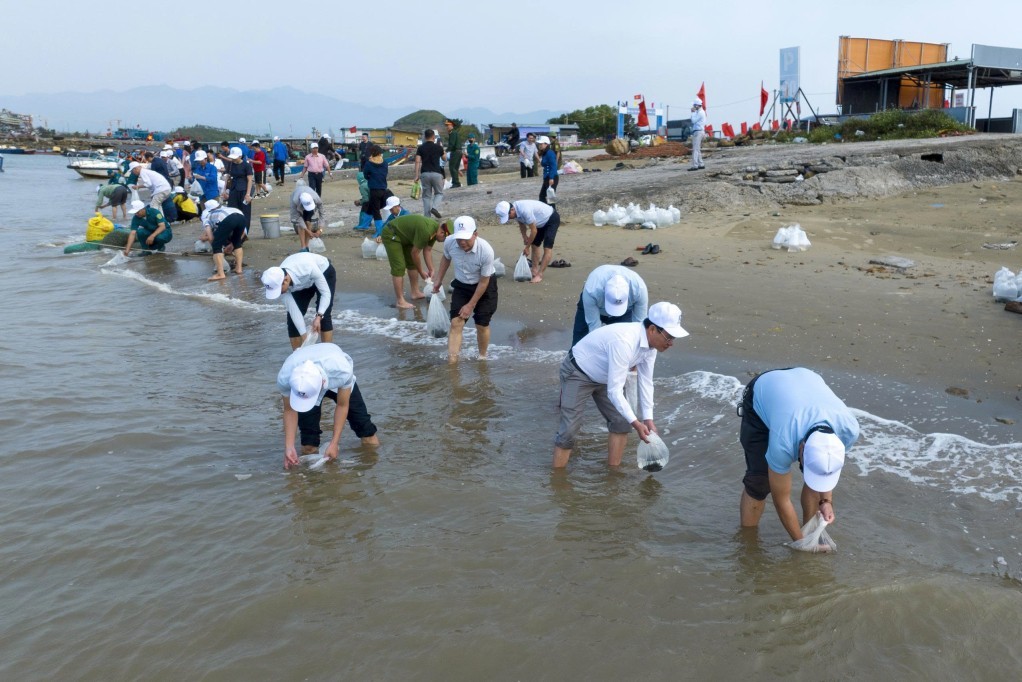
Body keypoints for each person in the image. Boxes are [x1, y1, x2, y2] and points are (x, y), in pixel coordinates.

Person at [552, 302, 688, 468]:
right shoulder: (624, 341)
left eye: (674, 338)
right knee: (569, 430)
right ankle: (557, 477)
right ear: (652, 329)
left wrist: (648, 419)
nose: (671, 343)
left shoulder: (651, 347)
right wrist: (636, 424)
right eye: (669, 337)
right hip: (578, 372)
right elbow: (614, 392)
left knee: (621, 423)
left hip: (607, 375)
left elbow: (646, 382)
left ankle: (613, 473)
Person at [737, 367, 860, 544]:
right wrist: (802, 544)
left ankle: (809, 532)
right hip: (764, 389)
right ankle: (747, 543)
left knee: (816, 474)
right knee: (759, 482)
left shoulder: (848, 431)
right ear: (801, 448)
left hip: (804, 380)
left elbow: (825, 469)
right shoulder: (784, 441)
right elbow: (781, 500)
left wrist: (826, 501)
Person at [276, 342, 379, 469]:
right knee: (308, 445)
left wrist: (334, 442)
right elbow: (289, 410)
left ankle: (374, 468)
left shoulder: (342, 370)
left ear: (323, 382)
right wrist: (289, 446)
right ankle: (312, 478)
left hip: (334, 374)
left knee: (366, 432)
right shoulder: (285, 378)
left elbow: (342, 405)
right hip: (305, 379)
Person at [431, 216, 497, 363]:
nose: (462, 242)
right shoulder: (449, 242)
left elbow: (484, 281)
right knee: (456, 323)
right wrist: (438, 280)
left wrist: (470, 305)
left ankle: (482, 357)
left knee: (481, 323)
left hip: (484, 286)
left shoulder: (486, 250)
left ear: (475, 234)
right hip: (461, 284)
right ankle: (452, 363)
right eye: (459, 238)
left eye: (466, 238)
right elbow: (446, 258)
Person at [262, 251, 337, 349]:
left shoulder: (306, 267)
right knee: (292, 321)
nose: (279, 293)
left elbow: (325, 294)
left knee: (324, 316)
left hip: (323, 272)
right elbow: (294, 312)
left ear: (285, 280)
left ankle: (328, 352)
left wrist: (319, 316)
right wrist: (306, 340)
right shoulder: (278, 281)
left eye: (279, 290)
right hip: (301, 283)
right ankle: (297, 355)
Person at [379, 214, 448, 309]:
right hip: (392, 233)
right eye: (445, 239)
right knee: (399, 267)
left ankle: (415, 292)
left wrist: (431, 269)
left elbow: (427, 250)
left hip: (406, 237)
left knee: (412, 263)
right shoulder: (427, 231)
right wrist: (421, 272)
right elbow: (415, 254)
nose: (444, 241)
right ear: (442, 232)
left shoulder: (435, 231)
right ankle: (400, 301)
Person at [572, 265, 649, 345]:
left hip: (625, 312)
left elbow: (639, 326)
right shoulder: (592, 290)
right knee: (579, 342)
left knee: (622, 342)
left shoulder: (639, 289)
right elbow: (594, 327)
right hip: (594, 304)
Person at [494, 199, 561, 283]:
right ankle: (534, 270)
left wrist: (527, 247)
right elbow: (521, 224)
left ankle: (539, 275)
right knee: (534, 245)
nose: (508, 219)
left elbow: (534, 231)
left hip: (551, 219)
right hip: (539, 223)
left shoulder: (524, 210)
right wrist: (524, 236)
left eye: (508, 216)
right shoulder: (515, 210)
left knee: (547, 247)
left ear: (512, 209)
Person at [199, 199, 245, 281]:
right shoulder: (227, 209)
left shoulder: (207, 216)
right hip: (241, 216)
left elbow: (210, 237)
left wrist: (218, 249)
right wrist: (231, 245)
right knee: (237, 242)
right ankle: (239, 268)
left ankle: (220, 274)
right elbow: (244, 233)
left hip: (229, 219)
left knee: (216, 245)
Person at [414, 128, 445, 218]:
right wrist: (442, 150)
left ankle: (427, 217)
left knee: (426, 196)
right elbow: (444, 158)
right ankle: (434, 208)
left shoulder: (421, 148)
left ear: (425, 137)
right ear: (433, 137)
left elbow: (417, 161)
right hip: (437, 173)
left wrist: (416, 175)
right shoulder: (438, 147)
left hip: (425, 174)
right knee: (439, 193)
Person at [225, 147, 254, 234]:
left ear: (240, 156)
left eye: (235, 157)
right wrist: (225, 190)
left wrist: (248, 194)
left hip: (244, 190)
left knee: (245, 212)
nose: (233, 159)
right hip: (233, 189)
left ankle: (244, 233)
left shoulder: (246, 165)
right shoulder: (231, 164)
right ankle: (234, 233)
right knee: (232, 211)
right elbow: (228, 177)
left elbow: (250, 180)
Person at [363, 145, 389, 233]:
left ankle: (379, 231)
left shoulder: (369, 163)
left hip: (374, 188)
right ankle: (364, 224)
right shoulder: (385, 163)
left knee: (376, 210)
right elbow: (385, 173)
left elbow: (365, 175)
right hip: (383, 188)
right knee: (371, 205)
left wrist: (370, 177)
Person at [289, 186, 323, 251]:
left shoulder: (316, 198)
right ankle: (303, 247)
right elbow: (297, 218)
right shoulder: (294, 201)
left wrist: (320, 229)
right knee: (301, 224)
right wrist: (308, 231)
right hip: (298, 205)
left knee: (308, 221)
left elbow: (322, 214)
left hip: (309, 200)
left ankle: (307, 246)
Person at [536, 136, 558, 206]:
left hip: (551, 177)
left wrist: (551, 178)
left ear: (546, 144)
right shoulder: (545, 153)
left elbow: (553, 166)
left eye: (541, 144)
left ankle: (552, 211)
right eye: (539, 144)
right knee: (543, 196)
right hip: (547, 177)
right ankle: (547, 210)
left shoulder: (550, 153)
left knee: (550, 197)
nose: (540, 145)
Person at [689, 99, 706, 171]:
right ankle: (701, 164)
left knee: (695, 149)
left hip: (698, 132)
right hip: (698, 131)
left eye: (694, 105)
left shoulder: (700, 113)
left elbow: (693, 121)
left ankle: (695, 165)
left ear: (697, 105)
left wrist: (693, 112)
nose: (693, 106)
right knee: (697, 149)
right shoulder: (699, 112)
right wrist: (694, 112)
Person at [445, 119, 462, 188]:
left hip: (455, 152)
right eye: (446, 126)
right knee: (455, 168)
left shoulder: (453, 133)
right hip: (459, 151)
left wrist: (446, 151)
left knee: (452, 167)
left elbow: (451, 144)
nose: (447, 127)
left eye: (448, 125)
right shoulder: (454, 133)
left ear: (452, 125)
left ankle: (455, 183)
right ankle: (456, 182)